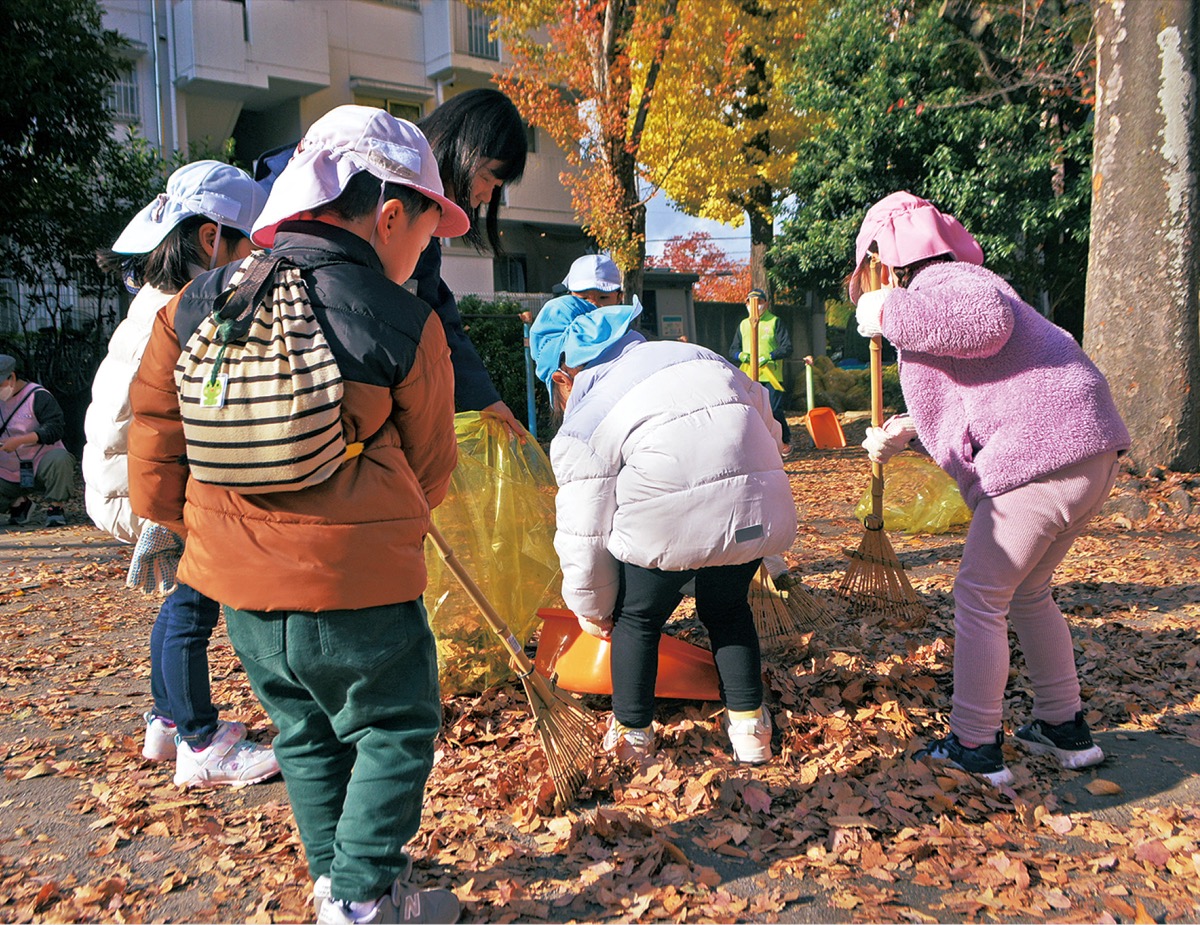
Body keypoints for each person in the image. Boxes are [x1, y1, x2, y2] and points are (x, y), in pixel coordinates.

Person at [128, 105, 466, 925]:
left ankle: (338, 884)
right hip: (360, 591)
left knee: (306, 733)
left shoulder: (197, 303)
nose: (428, 248)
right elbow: (430, 467)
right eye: (428, 229)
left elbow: (153, 442)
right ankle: (358, 900)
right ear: (390, 216)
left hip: (238, 590)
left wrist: (210, 527)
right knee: (393, 726)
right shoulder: (403, 320)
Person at [850, 190, 1130, 785]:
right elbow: (979, 388)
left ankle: (975, 747)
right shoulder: (956, 284)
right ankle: (1063, 727)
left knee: (979, 596)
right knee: (1029, 594)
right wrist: (902, 431)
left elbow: (984, 325)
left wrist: (889, 312)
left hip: (1042, 459)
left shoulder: (949, 286)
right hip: (1086, 452)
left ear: (887, 260)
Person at [529, 294, 797, 765]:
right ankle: (751, 733)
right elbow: (767, 428)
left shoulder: (585, 420)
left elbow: (584, 532)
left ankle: (633, 735)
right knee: (728, 610)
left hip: (669, 522)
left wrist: (592, 610)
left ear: (562, 378)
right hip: (756, 507)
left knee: (639, 619)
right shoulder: (697, 355)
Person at [85, 160, 280, 788]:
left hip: (131, 473)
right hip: (151, 478)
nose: (256, 257)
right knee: (194, 602)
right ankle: (201, 745)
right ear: (210, 239)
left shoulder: (155, 298)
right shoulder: (189, 306)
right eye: (251, 242)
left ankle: (166, 724)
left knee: (179, 601)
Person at [413, 88, 529, 435]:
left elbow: (433, 305)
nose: (485, 196)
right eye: (487, 179)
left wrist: (484, 398)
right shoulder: (398, 189)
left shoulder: (423, 217)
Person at [0, 355, 74, 527]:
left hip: (41, 462)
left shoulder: (38, 396)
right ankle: (19, 504)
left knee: (61, 459)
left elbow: (55, 428)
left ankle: (56, 507)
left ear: (12, 377)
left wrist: (20, 440)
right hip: (8, 468)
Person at [729, 290, 793, 452]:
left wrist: (770, 356)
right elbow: (732, 350)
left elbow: (787, 347)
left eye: (759, 302)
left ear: (766, 303)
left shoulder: (774, 322)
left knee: (774, 409)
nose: (755, 306)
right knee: (750, 410)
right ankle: (756, 444)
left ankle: (784, 441)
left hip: (771, 375)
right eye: (750, 303)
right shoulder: (744, 325)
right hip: (749, 375)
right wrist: (741, 355)